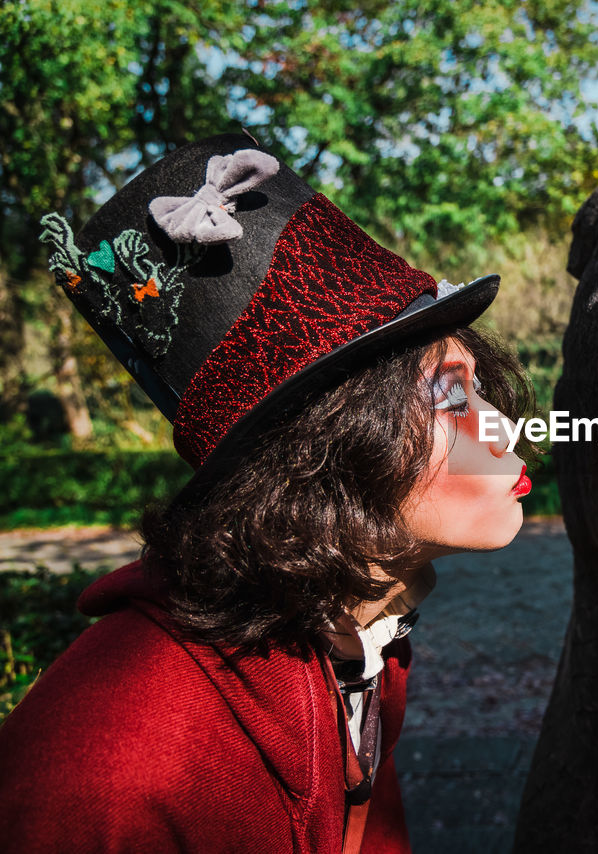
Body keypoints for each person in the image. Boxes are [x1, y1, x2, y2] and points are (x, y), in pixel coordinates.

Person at [0, 132, 539, 852]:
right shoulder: (114, 768)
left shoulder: (356, 629)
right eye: (450, 399)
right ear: (320, 455)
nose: (504, 432)